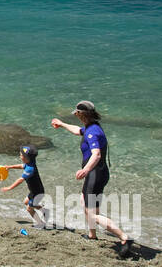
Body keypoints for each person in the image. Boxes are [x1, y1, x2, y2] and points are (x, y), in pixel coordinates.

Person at [51, 100, 135, 258]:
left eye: (77, 113)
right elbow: (78, 131)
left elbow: (96, 154)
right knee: (85, 202)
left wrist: (85, 170)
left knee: (92, 214)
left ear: (82, 114)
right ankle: (92, 235)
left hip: (95, 175)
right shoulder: (92, 127)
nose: (75, 115)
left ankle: (124, 238)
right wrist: (61, 124)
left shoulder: (92, 132)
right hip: (98, 174)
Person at [2, 144, 49, 228]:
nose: (20, 156)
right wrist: (10, 167)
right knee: (26, 202)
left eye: (21, 155)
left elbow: (20, 180)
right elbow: (21, 166)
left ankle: (40, 223)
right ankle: (44, 210)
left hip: (37, 193)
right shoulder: (30, 163)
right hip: (34, 191)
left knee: (29, 209)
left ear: (26, 158)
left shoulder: (30, 169)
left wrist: (10, 187)